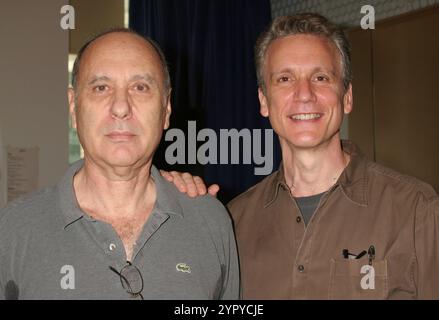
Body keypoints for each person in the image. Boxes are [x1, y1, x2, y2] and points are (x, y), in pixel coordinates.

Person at [162, 13, 439, 299]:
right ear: (263, 101)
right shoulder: (233, 222)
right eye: (285, 78)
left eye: (320, 77)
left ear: (347, 97)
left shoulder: (417, 211)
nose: (304, 94)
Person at [0, 29, 239, 300]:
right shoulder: (13, 231)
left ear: (166, 108)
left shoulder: (211, 221)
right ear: (73, 107)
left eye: (140, 87)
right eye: (101, 88)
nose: (121, 107)